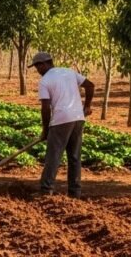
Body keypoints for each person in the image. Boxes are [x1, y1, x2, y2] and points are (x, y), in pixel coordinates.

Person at [29, 51, 94, 198]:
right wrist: (86, 106)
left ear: (44, 64)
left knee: (53, 156)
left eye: (38, 67)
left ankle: (46, 191)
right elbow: (90, 86)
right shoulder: (68, 72)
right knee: (74, 156)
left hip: (60, 120)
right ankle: (75, 192)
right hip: (78, 118)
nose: (37, 70)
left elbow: (45, 108)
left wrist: (46, 130)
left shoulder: (45, 81)